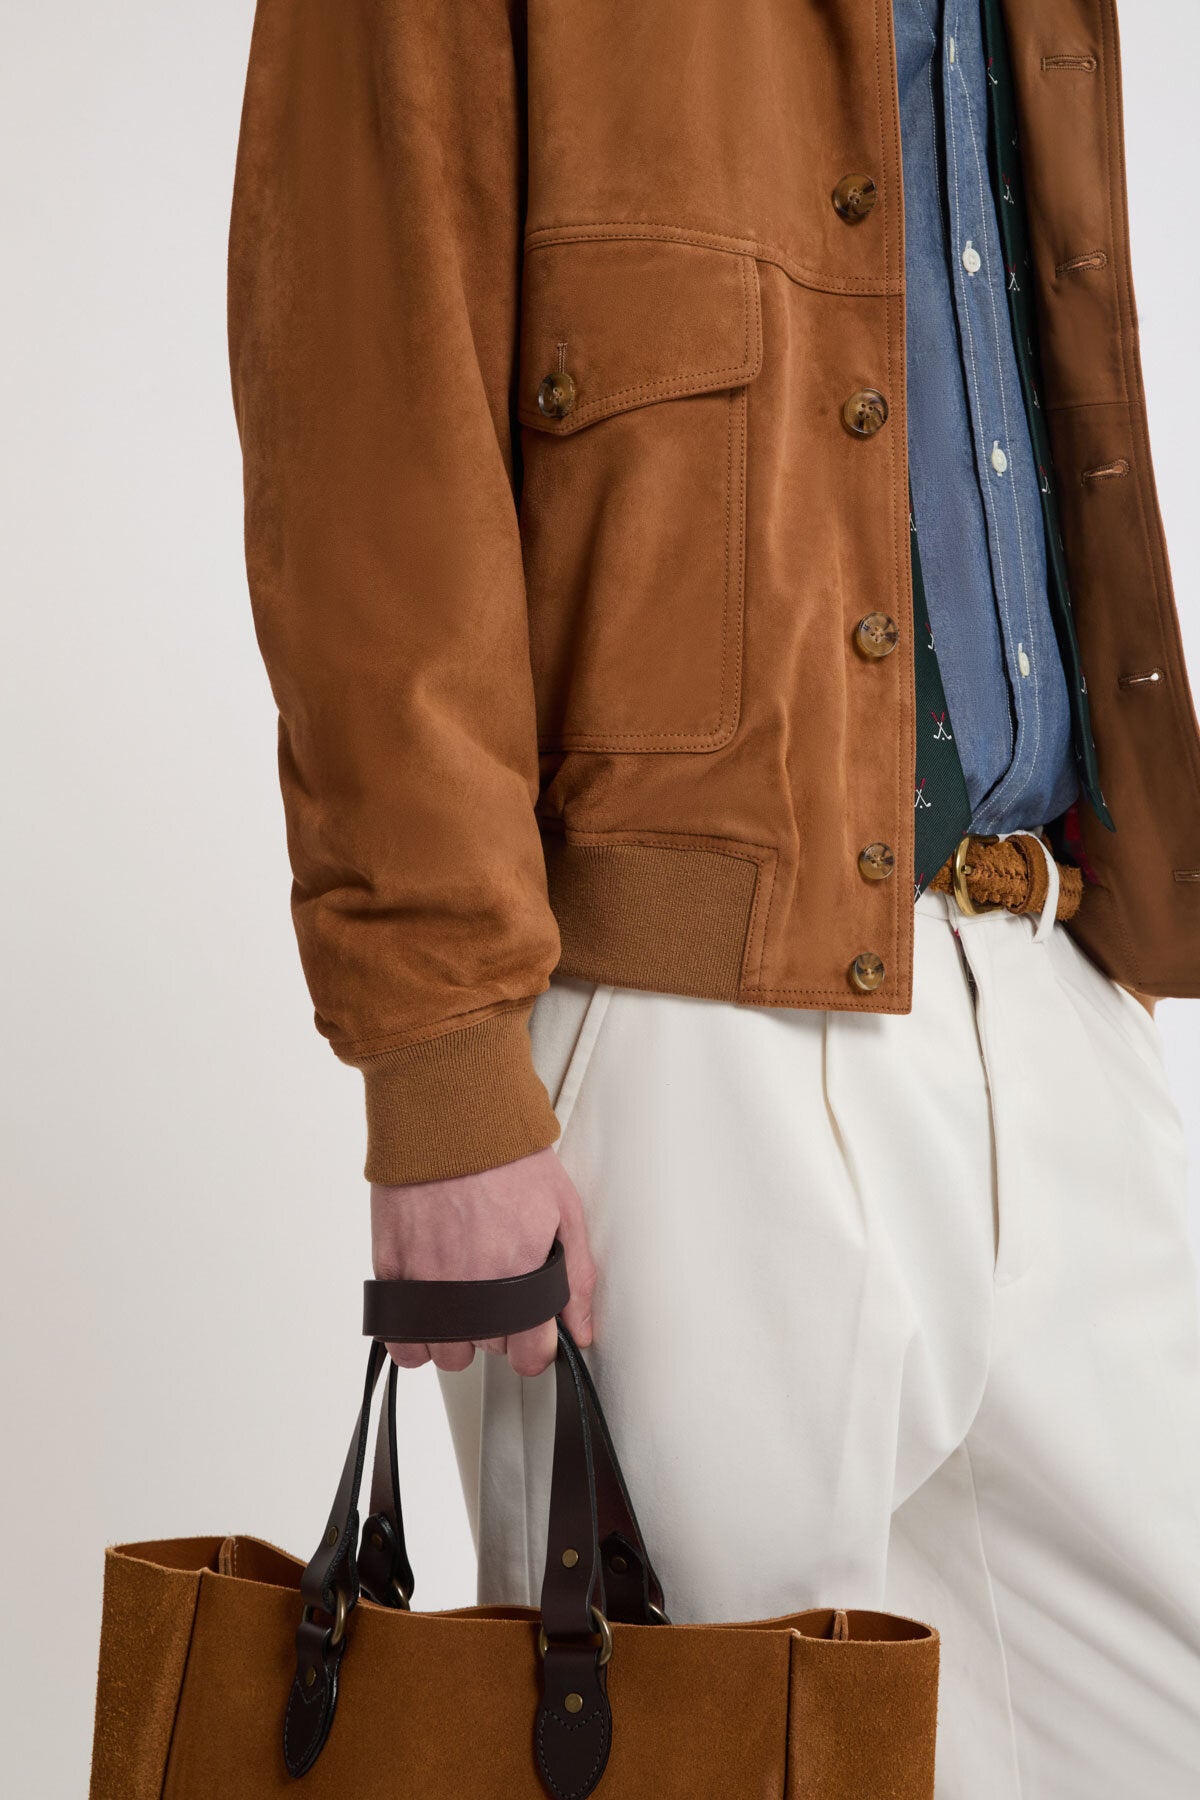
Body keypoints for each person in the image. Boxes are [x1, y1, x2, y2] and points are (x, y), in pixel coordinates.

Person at [228, 0, 1200, 1790]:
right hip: (690, 1034)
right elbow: (367, 425)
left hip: (1042, 963)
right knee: (691, 1754)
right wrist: (440, 1066)